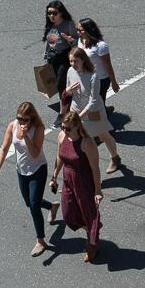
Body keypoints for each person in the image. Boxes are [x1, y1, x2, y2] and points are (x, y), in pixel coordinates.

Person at [0, 101, 58, 257]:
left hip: (38, 170)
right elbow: (4, 148)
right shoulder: (12, 126)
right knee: (29, 202)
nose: (21, 122)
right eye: (19, 118)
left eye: (25, 119)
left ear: (32, 118)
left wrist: (27, 135)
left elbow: (35, 153)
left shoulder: (38, 129)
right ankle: (52, 206)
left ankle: (40, 241)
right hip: (21, 170)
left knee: (34, 205)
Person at [51, 112, 102, 262]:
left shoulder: (87, 143)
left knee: (88, 214)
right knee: (67, 214)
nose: (64, 131)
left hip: (84, 182)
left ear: (77, 126)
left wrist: (98, 190)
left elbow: (95, 169)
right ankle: (90, 228)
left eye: (68, 128)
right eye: (63, 127)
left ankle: (92, 244)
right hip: (68, 179)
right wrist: (54, 176)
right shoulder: (61, 136)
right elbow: (60, 157)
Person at [64, 48, 121, 175]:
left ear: (83, 60)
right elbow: (67, 91)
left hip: (93, 112)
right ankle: (81, 167)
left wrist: (80, 116)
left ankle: (115, 158)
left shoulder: (93, 76)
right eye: (71, 61)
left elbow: (93, 100)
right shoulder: (70, 71)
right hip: (76, 109)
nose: (73, 64)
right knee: (77, 138)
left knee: (103, 135)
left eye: (76, 61)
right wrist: (69, 89)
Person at [43, 0, 77, 125]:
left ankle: (63, 112)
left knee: (60, 84)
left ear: (61, 13)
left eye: (54, 13)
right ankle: (67, 102)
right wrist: (46, 56)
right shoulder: (50, 25)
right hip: (53, 58)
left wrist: (70, 40)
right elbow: (49, 42)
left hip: (64, 57)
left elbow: (77, 42)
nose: (51, 16)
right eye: (49, 13)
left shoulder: (68, 24)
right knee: (59, 84)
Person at [76, 18, 119, 113]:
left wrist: (114, 83)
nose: (78, 32)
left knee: (97, 102)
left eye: (81, 30)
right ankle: (103, 112)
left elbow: (108, 65)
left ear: (89, 30)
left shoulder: (100, 46)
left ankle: (104, 121)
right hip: (86, 76)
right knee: (90, 100)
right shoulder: (80, 40)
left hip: (100, 79)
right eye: (77, 30)